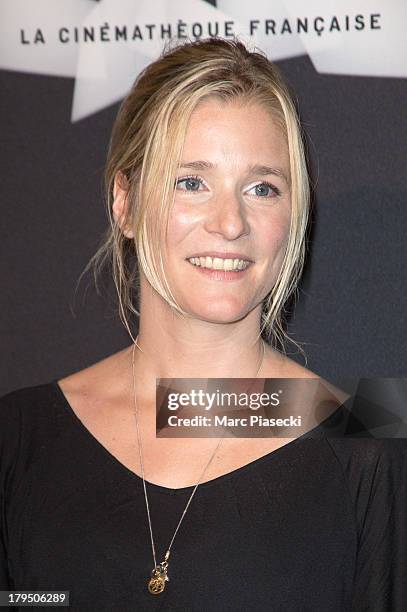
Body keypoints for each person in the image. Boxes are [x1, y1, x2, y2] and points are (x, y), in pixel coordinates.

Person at [1, 37, 406, 611]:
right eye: (191, 181)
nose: (230, 222)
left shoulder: (372, 443)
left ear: (293, 217)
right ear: (125, 203)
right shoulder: (18, 438)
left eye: (262, 188)